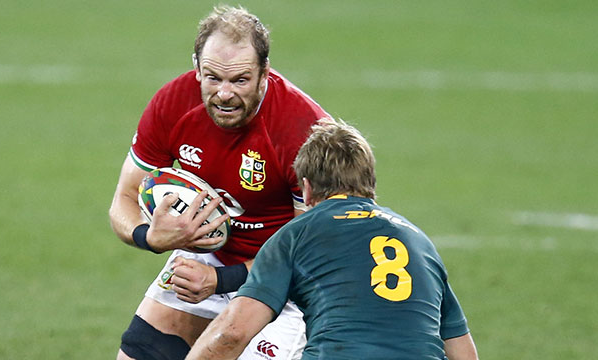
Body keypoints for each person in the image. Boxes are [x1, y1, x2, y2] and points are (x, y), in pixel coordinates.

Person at [108, 5, 330, 360]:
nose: (224, 94)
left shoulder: (304, 133)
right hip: (208, 260)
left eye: (240, 80)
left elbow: (312, 251)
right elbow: (124, 197)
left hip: (289, 284)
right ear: (196, 68)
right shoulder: (173, 104)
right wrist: (147, 236)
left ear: (265, 74)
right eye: (213, 78)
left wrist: (221, 282)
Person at [185, 119, 479, 360]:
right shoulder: (418, 240)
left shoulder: (296, 234)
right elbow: (462, 351)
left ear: (308, 189)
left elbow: (233, 333)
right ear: (371, 185)